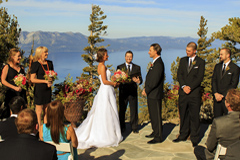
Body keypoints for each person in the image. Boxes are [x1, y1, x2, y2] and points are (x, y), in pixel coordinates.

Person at [75, 48, 122, 149]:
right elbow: (104, 81)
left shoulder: (101, 65)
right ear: (101, 56)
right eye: (106, 55)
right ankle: (105, 135)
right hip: (105, 90)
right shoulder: (102, 66)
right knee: (106, 111)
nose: (107, 56)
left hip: (106, 90)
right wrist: (114, 83)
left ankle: (109, 132)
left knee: (107, 111)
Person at [173, 42, 205, 147]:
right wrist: (183, 86)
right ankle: (182, 135)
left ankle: (195, 138)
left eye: (189, 51)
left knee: (194, 116)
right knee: (183, 114)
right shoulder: (182, 60)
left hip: (194, 93)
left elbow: (199, 77)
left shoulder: (200, 62)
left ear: (194, 51)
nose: (187, 52)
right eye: (186, 50)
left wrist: (190, 87)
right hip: (183, 93)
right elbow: (179, 74)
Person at [194, 89, 240, 160]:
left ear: (228, 104)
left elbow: (210, 146)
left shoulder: (219, 122)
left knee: (198, 150)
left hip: (223, 156)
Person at [142, 43, 164, 144]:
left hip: (155, 94)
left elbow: (154, 80)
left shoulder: (159, 64)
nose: (148, 52)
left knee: (156, 115)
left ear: (155, 51)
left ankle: (158, 137)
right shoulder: (155, 63)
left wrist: (146, 90)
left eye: (150, 50)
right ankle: (155, 132)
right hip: (152, 94)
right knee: (153, 115)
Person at [117, 50, 142, 133]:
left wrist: (138, 81)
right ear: (125, 57)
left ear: (132, 57)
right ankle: (121, 127)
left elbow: (140, 80)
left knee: (134, 110)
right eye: (127, 56)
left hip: (133, 92)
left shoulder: (137, 67)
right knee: (122, 110)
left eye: (130, 56)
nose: (129, 58)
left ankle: (134, 127)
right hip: (123, 92)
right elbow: (117, 79)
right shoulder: (119, 67)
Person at [212, 48, 240, 118]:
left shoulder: (235, 68)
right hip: (217, 99)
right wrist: (215, 93)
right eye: (220, 54)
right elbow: (213, 80)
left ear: (228, 55)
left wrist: (223, 95)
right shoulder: (217, 66)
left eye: (221, 54)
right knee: (217, 120)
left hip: (227, 99)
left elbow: (234, 84)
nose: (220, 56)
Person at [1, 48, 27, 119]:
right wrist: (14, 87)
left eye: (20, 56)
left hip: (21, 94)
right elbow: (3, 80)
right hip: (12, 94)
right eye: (18, 56)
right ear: (12, 57)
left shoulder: (21, 67)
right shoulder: (7, 67)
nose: (20, 58)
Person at [30, 46, 54, 125]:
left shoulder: (49, 63)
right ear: (40, 54)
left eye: (47, 52)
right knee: (39, 111)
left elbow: (52, 75)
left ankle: (46, 127)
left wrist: (51, 81)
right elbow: (32, 79)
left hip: (47, 89)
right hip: (39, 90)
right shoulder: (35, 64)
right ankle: (39, 129)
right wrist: (45, 81)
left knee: (47, 110)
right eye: (45, 52)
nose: (47, 53)